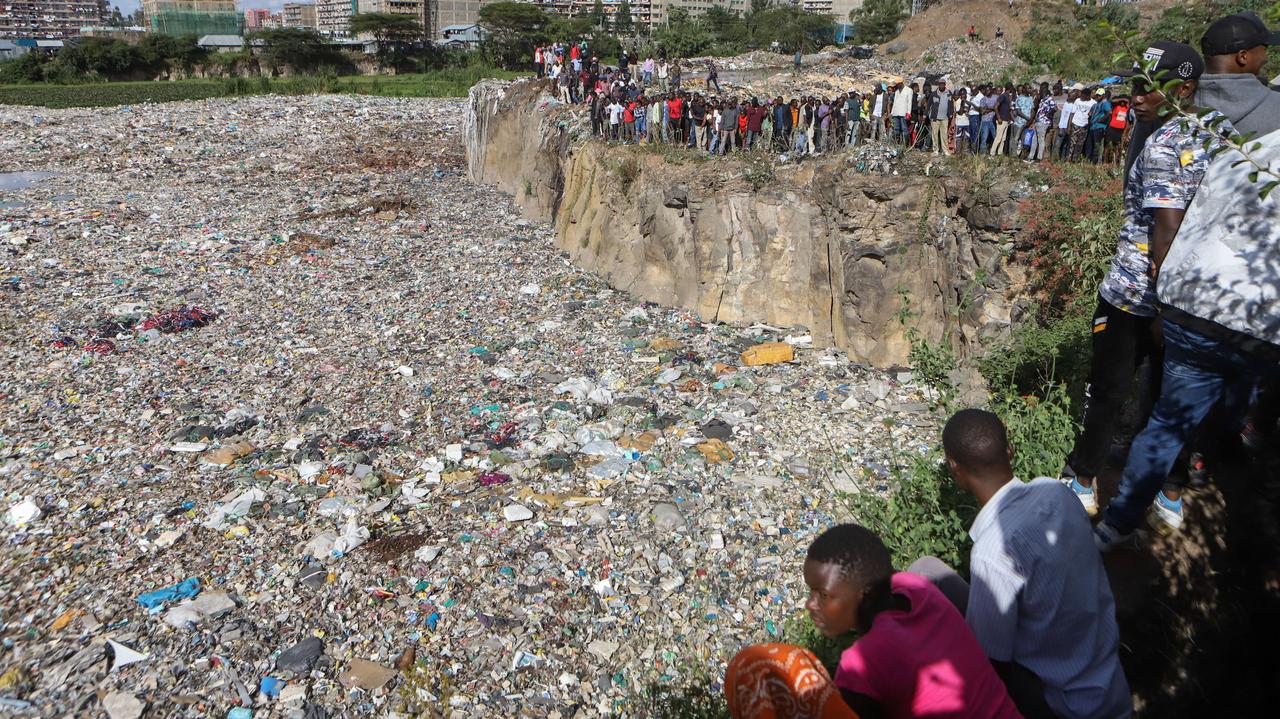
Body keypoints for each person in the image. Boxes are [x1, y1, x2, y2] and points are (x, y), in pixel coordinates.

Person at [1065, 42, 1233, 531]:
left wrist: (1164, 307)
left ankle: (1083, 480)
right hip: (1193, 299)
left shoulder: (1162, 145)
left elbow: (1167, 230)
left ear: (1183, 88)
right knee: (1170, 401)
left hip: (1136, 296)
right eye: (1134, 86)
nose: (1136, 97)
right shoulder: (1217, 134)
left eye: (1147, 87)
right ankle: (1170, 491)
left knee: (1109, 391)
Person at [926, 409, 1132, 719]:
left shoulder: (991, 551)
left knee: (925, 574)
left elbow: (991, 662)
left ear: (955, 468)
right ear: (1010, 450)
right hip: (1110, 684)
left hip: (1064, 704)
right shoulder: (1057, 492)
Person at [725, 523, 1022, 719]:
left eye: (824, 596)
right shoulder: (916, 589)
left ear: (863, 594)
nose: (811, 605)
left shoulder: (861, 664)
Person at [1196, 11, 1280, 137]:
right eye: (1264, 49)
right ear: (1243, 57)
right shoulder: (1276, 106)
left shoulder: (1180, 105)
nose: (1265, 57)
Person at [928, 80, 953, 155]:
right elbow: (929, 105)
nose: (941, 86)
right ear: (938, 85)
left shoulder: (948, 93)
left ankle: (945, 150)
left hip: (945, 117)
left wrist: (950, 113)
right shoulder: (934, 94)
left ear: (945, 85)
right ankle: (935, 150)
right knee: (935, 134)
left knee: (944, 134)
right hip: (935, 117)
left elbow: (951, 104)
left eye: (943, 84)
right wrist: (925, 115)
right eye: (940, 84)